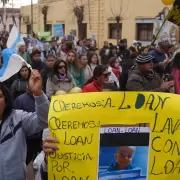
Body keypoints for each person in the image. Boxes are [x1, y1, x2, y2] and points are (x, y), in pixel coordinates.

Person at [0, 70, 49, 180]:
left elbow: (44, 120)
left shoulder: (18, 118)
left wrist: (38, 93)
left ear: (6, 101)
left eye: (0, 96)